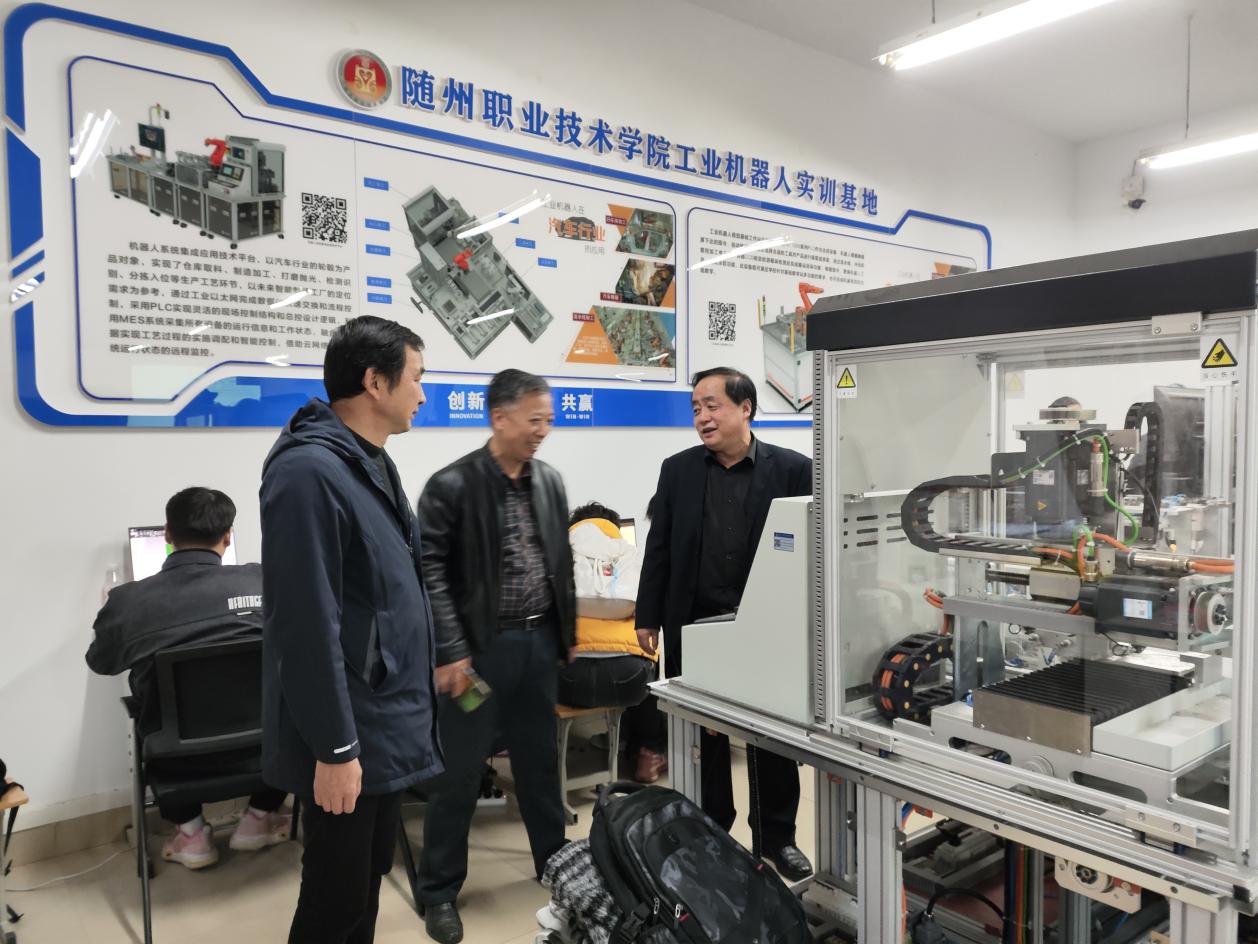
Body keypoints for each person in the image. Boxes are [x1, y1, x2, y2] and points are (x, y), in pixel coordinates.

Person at [260, 315, 442, 944]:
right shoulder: (308, 473)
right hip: (349, 733)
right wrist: (335, 748)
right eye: (416, 378)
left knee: (364, 881)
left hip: (381, 720)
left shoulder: (370, 462)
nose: (423, 394)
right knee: (334, 901)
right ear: (375, 382)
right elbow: (304, 622)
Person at [635, 367, 815, 882]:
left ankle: (777, 838)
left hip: (766, 626)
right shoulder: (678, 471)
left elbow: (812, 552)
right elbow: (659, 547)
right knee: (702, 739)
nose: (702, 417)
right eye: (696, 408)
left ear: (745, 408)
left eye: (711, 405)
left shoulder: (794, 470)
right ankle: (710, 832)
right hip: (694, 625)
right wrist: (648, 614)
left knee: (771, 736)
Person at [416, 369, 576, 944]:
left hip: (536, 647)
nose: (543, 430)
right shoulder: (451, 485)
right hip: (477, 656)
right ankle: (438, 891)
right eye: (534, 420)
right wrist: (450, 651)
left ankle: (555, 866)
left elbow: (561, 561)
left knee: (539, 766)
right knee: (458, 773)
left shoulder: (549, 481)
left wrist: (566, 632)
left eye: (548, 420)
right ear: (499, 417)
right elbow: (429, 573)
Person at [86, 487, 290, 870]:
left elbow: (102, 663)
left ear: (168, 534)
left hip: (175, 763)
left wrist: (112, 618)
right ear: (228, 536)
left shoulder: (130, 601)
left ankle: (192, 835)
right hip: (269, 751)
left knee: (148, 708)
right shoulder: (264, 581)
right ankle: (259, 817)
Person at [559, 502, 656, 710]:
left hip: (568, 675)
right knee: (650, 682)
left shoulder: (558, 554)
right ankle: (640, 732)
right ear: (614, 527)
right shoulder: (632, 554)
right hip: (630, 674)